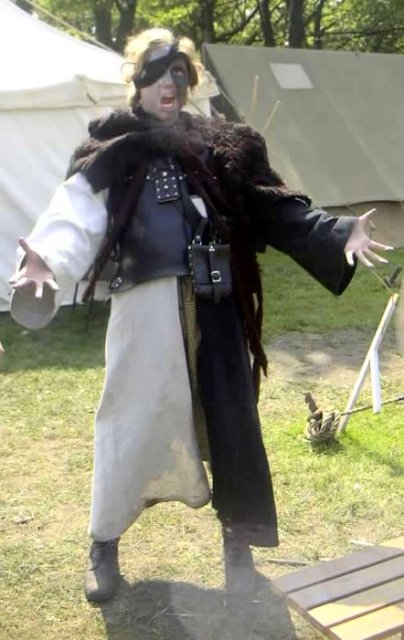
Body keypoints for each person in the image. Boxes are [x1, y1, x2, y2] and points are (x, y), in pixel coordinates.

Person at [9, 28, 392, 603]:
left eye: (180, 74)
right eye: (159, 73)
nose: (171, 85)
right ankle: (103, 545)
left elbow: (271, 205)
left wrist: (334, 232)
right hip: (146, 305)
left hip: (217, 303)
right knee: (129, 418)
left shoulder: (222, 144)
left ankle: (239, 552)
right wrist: (44, 258)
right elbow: (75, 212)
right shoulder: (112, 146)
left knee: (232, 421)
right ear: (137, 80)